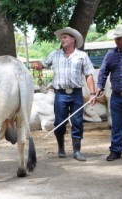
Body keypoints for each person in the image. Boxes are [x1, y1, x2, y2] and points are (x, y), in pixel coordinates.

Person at [32, 27, 96, 161]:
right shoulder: (54, 54)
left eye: (65, 37)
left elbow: (89, 74)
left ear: (73, 40)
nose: (63, 39)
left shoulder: (82, 56)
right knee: (59, 122)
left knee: (77, 122)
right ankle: (61, 147)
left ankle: (77, 151)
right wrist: (37, 65)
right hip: (60, 94)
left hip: (76, 93)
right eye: (62, 37)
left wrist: (92, 93)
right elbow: (43, 65)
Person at [96, 24, 122, 161]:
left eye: (119, 39)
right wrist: (100, 86)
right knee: (116, 125)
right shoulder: (111, 54)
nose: (116, 41)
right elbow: (103, 71)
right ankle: (115, 151)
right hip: (116, 96)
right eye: (115, 39)